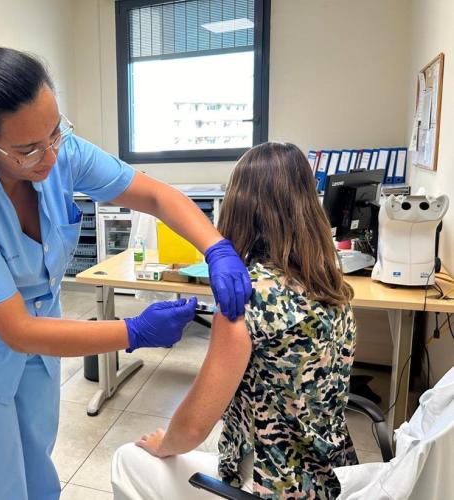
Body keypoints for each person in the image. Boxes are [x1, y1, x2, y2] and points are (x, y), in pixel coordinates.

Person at [0, 46, 252, 500]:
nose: (50, 157)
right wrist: (134, 331)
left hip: (35, 332)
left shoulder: (60, 151)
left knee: (36, 465)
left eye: (55, 133)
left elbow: (156, 196)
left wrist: (217, 247)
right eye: (28, 149)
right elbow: (19, 331)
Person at [112, 142, 359, 500]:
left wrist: (164, 443)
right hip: (331, 479)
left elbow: (192, 429)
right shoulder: (333, 286)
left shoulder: (246, 300)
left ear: (238, 207)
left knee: (128, 459)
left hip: (269, 486)